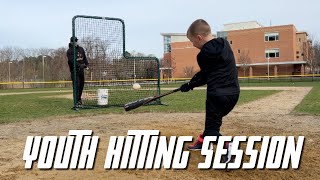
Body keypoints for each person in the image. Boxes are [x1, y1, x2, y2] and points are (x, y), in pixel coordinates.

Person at [180, 19, 240, 163]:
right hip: (233, 94)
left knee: (212, 130)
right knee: (211, 124)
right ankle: (202, 141)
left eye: (193, 41)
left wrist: (189, 84)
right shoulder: (225, 44)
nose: (193, 45)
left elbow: (204, 76)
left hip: (217, 96)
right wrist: (191, 83)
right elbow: (211, 71)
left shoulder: (203, 54)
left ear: (199, 37)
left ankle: (227, 146)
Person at [67, 36, 89, 108]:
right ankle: (76, 102)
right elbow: (71, 61)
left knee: (81, 86)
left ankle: (79, 100)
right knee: (76, 86)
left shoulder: (81, 49)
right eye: (74, 41)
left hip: (81, 71)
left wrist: (86, 64)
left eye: (76, 41)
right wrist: (80, 65)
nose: (75, 42)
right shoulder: (69, 51)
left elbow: (84, 58)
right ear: (71, 42)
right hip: (74, 71)